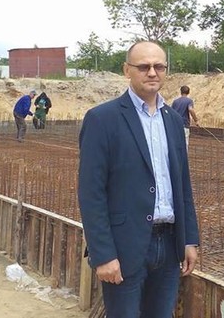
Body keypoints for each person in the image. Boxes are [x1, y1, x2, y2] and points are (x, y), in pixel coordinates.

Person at [78, 41, 200, 318]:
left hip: (169, 245)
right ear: (127, 70)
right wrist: (103, 255)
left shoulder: (172, 120)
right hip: (125, 246)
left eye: (159, 66)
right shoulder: (102, 119)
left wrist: (189, 239)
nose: (152, 72)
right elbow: (91, 193)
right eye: (144, 67)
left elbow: (182, 185)